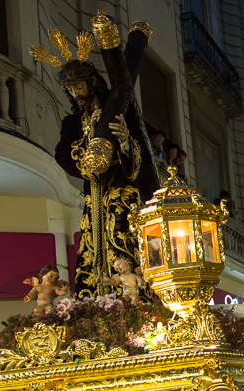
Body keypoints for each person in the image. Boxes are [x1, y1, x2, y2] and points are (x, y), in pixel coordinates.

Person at [44, 17, 159, 300]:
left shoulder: (120, 109)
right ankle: (94, 304)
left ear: (93, 82)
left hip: (123, 194)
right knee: (93, 251)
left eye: (79, 87)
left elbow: (138, 162)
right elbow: (64, 156)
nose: (75, 94)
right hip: (94, 198)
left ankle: (134, 302)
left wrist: (122, 140)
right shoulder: (73, 122)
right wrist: (90, 139)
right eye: (70, 89)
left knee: (123, 245)